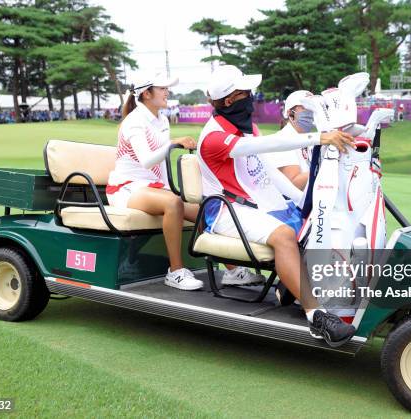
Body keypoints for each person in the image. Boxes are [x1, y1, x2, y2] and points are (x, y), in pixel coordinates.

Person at [197, 65, 358, 346]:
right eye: (244, 93)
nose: (251, 97)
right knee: (284, 235)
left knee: (314, 223)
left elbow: (269, 176)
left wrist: (304, 205)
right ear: (228, 101)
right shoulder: (213, 137)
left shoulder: (245, 130)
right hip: (225, 211)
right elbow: (266, 147)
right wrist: (319, 137)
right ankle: (317, 317)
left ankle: (293, 288)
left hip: (252, 206)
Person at [107, 73, 260, 291]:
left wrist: (173, 144)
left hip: (154, 187)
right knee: (173, 203)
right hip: (127, 187)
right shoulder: (134, 122)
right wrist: (173, 143)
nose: (167, 92)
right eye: (162, 88)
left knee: (204, 208)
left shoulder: (161, 119)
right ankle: (176, 271)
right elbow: (146, 160)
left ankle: (232, 270)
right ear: (146, 93)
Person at [266, 90, 315, 190]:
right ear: (290, 113)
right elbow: (294, 184)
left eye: (312, 108)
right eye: (305, 108)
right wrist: (324, 165)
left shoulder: (308, 138)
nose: (310, 112)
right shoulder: (283, 140)